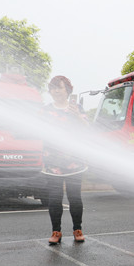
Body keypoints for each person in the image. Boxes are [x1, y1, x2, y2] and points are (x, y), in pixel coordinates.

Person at [42, 75, 88, 245]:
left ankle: (78, 229)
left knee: (75, 198)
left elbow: (87, 129)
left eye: (60, 87)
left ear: (67, 90)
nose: (56, 91)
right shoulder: (45, 110)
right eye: (53, 87)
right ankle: (56, 231)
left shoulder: (77, 108)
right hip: (52, 163)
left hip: (74, 163)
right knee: (54, 199)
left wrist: (76, 116)